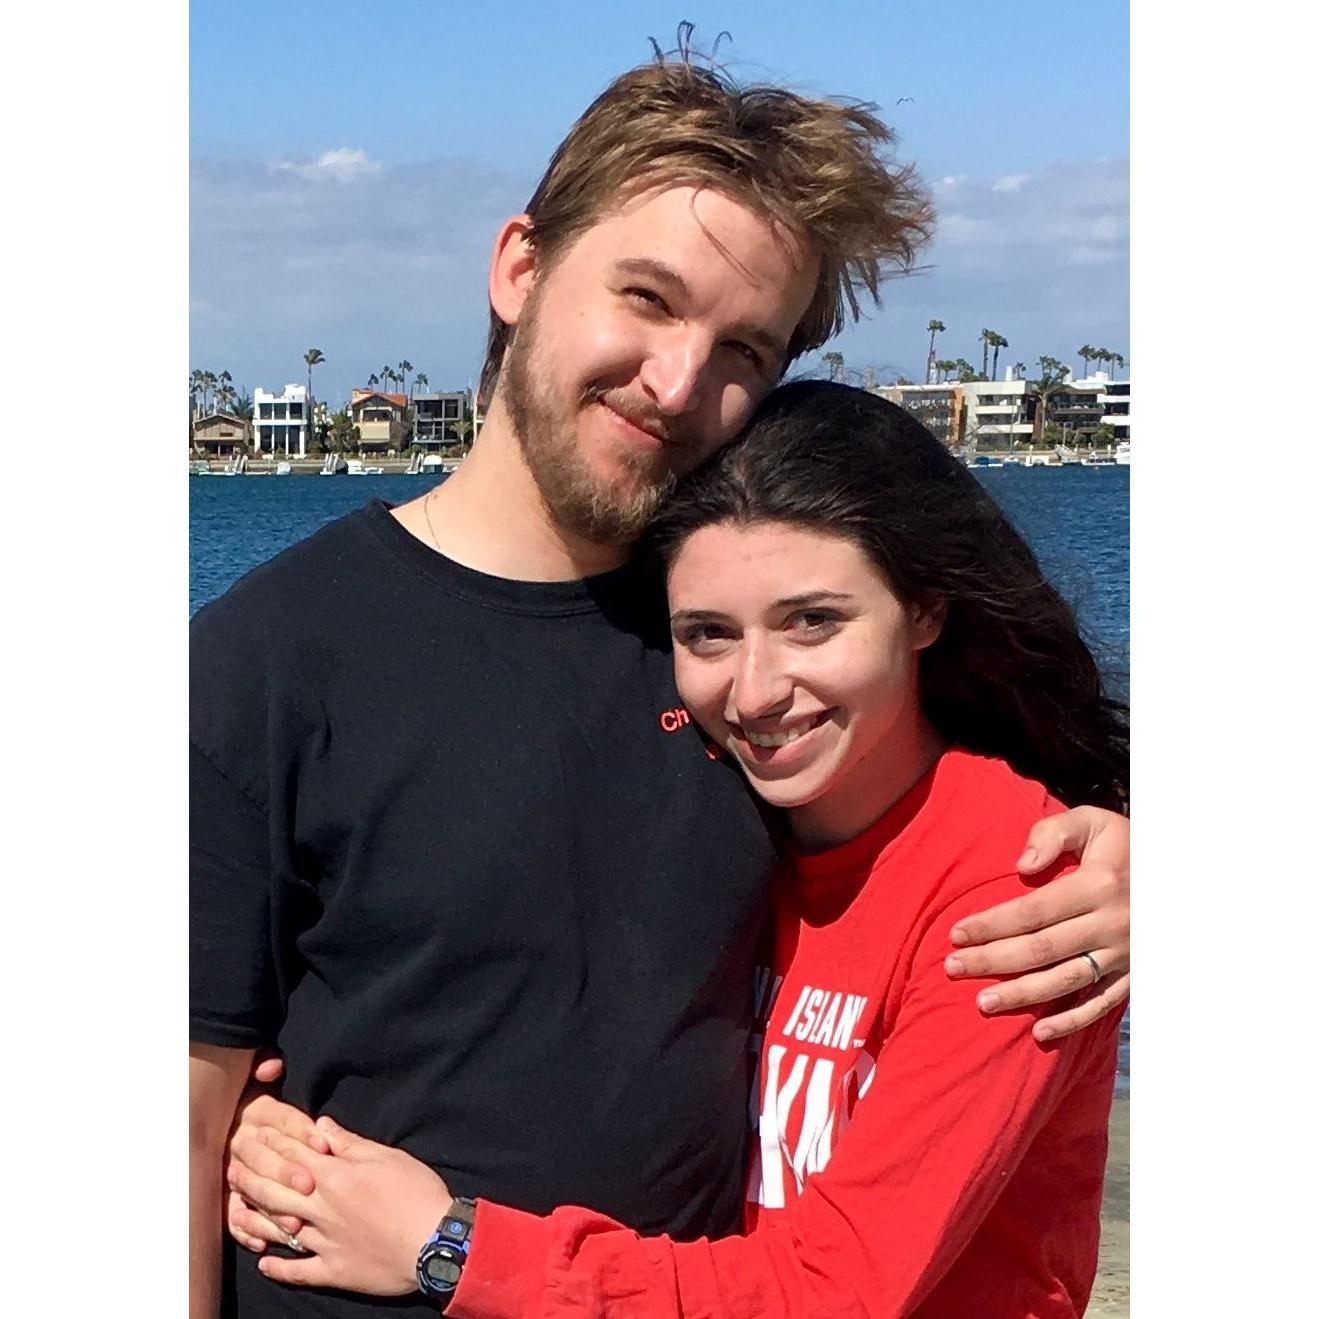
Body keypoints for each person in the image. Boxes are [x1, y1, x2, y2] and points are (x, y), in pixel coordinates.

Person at [191, 53, 1131, 1319]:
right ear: (520, 266)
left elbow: (964, 821)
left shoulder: (753, 642)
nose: (679, 382)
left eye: (744, 345)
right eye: (645, 297)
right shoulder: (263, 653)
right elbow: (179, 1134)